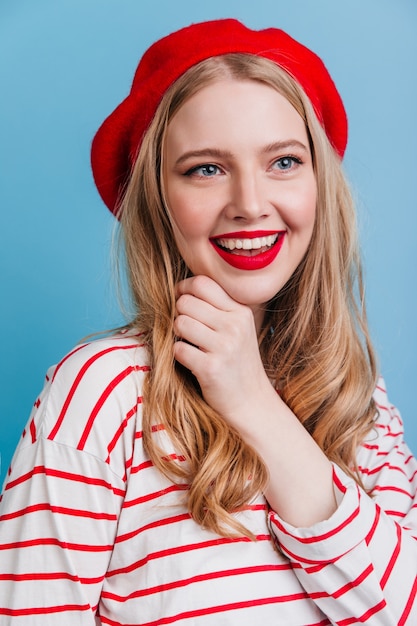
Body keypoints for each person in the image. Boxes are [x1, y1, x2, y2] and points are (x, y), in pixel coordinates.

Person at [0, 18, 416, 625]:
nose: (249, 203)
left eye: (283, 161)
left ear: (319, 184)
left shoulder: (361, 401)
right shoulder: (101, 392)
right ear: (157, 200)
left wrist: (251, 398)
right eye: (206, 169)